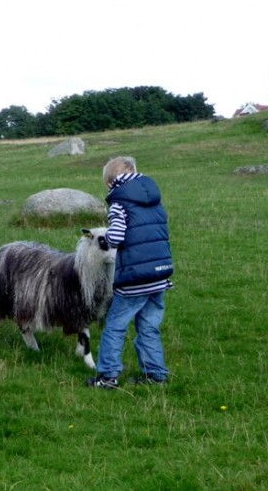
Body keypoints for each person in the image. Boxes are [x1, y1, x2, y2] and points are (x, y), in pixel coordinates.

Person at [88, 156, 175, 389]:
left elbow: (117, 236)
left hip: (135, 277)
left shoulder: (119, 203)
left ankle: (107, 376)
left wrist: (104, 240)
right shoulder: (154, 200)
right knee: (148, 326)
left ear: (110, 182)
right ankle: (156, 374)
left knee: (115, 325)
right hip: (160, 274)